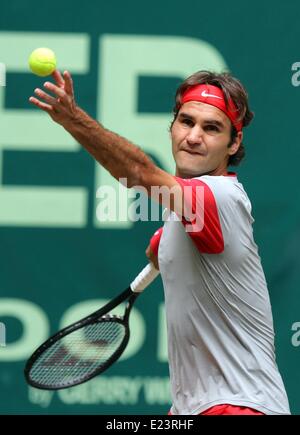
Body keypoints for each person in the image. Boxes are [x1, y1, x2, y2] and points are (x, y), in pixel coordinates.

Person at [29, 69, 290, 415]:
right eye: (186, 122)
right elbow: (165, 245)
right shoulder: (181, 216)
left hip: (240, 405)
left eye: (211, 128)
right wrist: (161, 248)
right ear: (173, 127)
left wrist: (73, 119)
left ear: (234, 143)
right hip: (196, 407)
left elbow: (138, 173)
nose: (193, 136)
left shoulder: (219, 197)